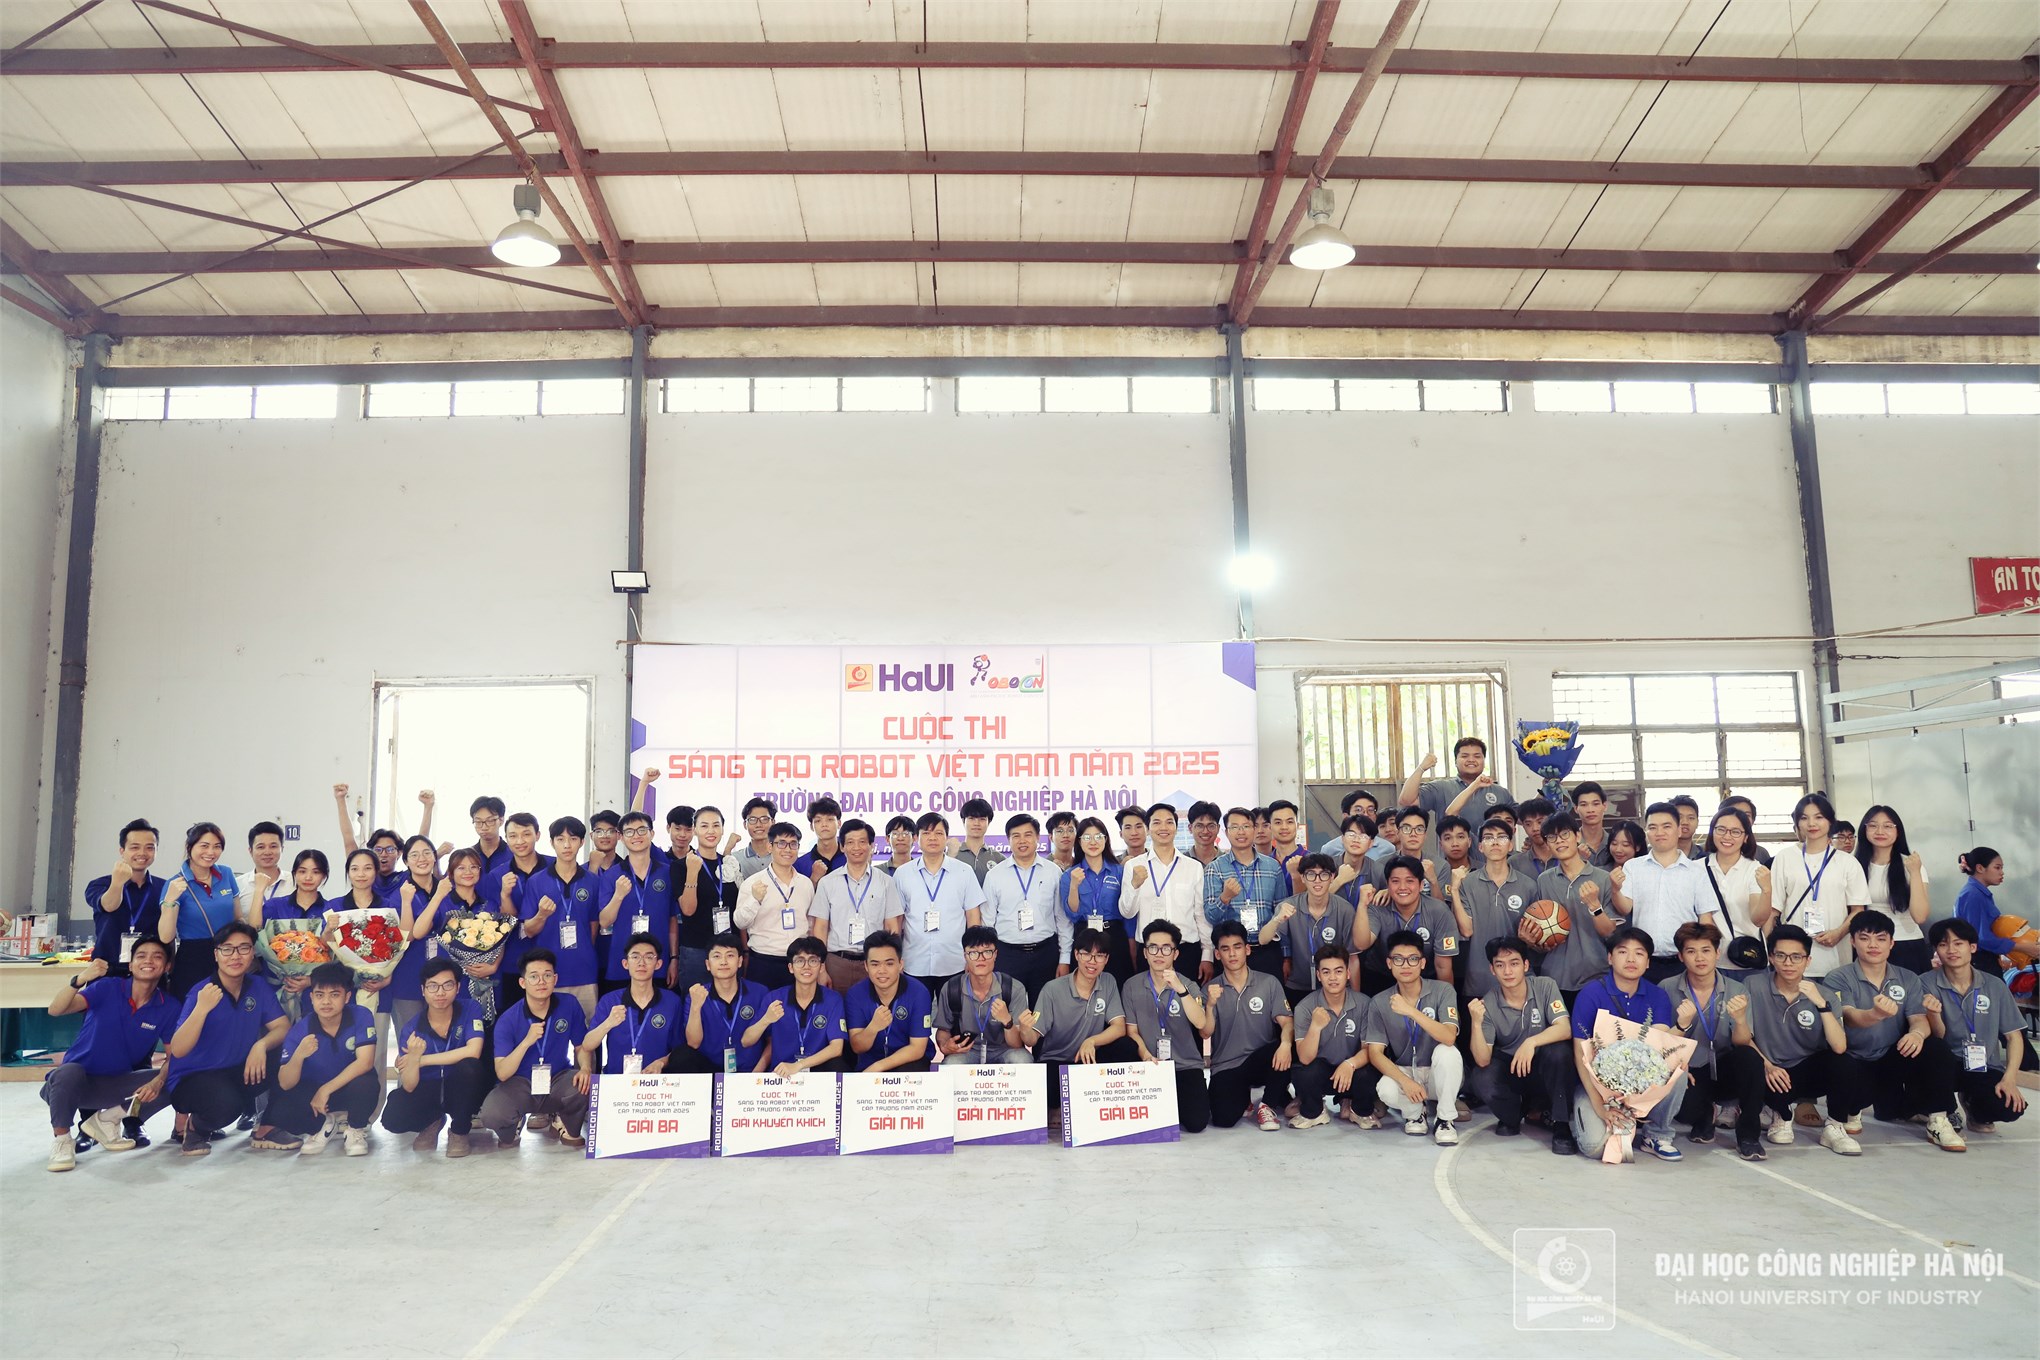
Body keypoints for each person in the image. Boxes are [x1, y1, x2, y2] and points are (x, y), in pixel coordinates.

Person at [1825, 911, 1964, 1153]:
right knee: (1847, 1076)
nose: (1873, 945)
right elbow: (1848, 1016)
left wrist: (1917, 1034)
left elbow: (1919, 1019)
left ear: (1891, 943)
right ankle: (1851, 1111)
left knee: (1936, 1047)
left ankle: (1938, 1120)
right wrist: (1875, 1014)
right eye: (1865, 938)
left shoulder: (1908, 978)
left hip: (1891, 1058)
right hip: (1855, 1060)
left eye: (1880, 938)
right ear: (1853, 941)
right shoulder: (1838, 977)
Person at [41, 943, 175, 1171]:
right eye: (141, 956)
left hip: (114, 1085)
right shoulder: (107, 988)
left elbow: (174, 1056)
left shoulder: (168, 1006)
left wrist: (158, 1081)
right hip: (71, 1084)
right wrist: (79, 980)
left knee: (176, 1079)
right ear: (130, 965)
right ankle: (62, 1140)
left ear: (167, 966)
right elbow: (55, 1009)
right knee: (70, 1071)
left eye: (157, 956)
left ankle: (106, 1121)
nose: (148, 961)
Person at [163, 922, 289, 1156]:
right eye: (227, 949)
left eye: (244, 948)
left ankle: (267, 1127)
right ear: (216, 955)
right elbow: (178, 1049)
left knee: (288, 1056)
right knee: (228, 1105)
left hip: (235, 1069)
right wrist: (202, 1009)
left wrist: (261, 1045)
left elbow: (282, 1027)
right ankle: (196, 1128)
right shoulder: (202, 992)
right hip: (193, 1079)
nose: (235, 956)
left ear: (253, 952)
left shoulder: (258, 986)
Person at [1568, 926, 1688, 1162]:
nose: (1631, 959)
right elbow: (1580, 1054)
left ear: (1648, 962)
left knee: (1679, 1071)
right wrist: (1599, 1105)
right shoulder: (1590, 994)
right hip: (1598, 1085)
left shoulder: (1657, 995)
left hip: (1641, 1083)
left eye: (1639, 953)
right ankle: (1592, 1119)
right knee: (1594, 1148)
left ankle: (1656, 1134)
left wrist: (1682, 1026)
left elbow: (1661, 1047)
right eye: (1623, 952)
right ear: (1610, 958)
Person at [1661, 922, 1766, 1159]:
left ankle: (1748, 1136)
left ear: (1717, 953)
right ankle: (1704, 1115)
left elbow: (1742, 1042)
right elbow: (1661, 1042)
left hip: (1724, 1067)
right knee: (1685, 1111)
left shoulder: (1736, 989)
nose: (1700, 958)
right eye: (1691, 951)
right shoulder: (1666, 988)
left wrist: (1740, 1021)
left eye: (1706, 950)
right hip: (1688, 1070)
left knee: (1750, 1058)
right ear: (1680, 956)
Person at [1743, 924, 1849, 1153]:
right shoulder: (1752, 985)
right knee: (1746, 1060)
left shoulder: (1824, 994)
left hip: (1803, 1070)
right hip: (1769, 1070)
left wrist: (1821, 1005)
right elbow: (1744, 1036)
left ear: (1807, 961)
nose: (1788, 963)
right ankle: (1781, 1115)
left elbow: (1840, 1046)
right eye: (1781, 956)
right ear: (1771, 958)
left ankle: (1835, 1126)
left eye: (1796, 957)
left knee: (1842, 1061)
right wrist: (1767, 1066)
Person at [476, 950, 592, 1149]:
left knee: (584, 1084)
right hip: (520, 1083)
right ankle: (513, 1126)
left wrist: (586, 1068)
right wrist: (526, 1042)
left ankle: (563, 1121)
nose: (541, 982)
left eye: (547, 975)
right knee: (492, 1114)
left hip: (558, 1078)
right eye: (534, 976)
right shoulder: (508, 1019)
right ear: (523, 983)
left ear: (555, 979)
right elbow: (502, 1073)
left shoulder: (569, 1004)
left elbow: (581, 1046)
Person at [1923, 919, 2027, 1134]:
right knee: (1933, 1055)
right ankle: (1945, 1108)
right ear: (1936, 951)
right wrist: (1933, 1014)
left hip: (1983, 1065)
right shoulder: (1925, 983)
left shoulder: (1995, 985)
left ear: (1972, 947)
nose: (1951, 950)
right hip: (1945, 1065)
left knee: (2008, 1107)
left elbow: (2013, 1037)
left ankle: (1974, 1106)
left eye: (1958, 943)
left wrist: (2009, 1079)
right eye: (1943, 944)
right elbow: (1937, 1036)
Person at [1466, 936, 1572, 1145]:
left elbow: (1564, 1028)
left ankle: (1561, 1124)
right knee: (1481, 1077)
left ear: (1525, 965)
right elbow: (1482, 1059)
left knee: (1560, 1052)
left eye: (1514, 963)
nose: (1507, 971)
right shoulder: (1488, 1002)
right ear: (1492, 970)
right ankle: (1514, 1116)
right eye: (1500, 965)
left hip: (1542, 1066)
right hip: (1512, 1068)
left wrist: (1530, 1042)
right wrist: (1476, 1023)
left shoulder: (1545, 986)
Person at [380, 956, 490, 1158]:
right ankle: (431, 1121)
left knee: (471, 1068)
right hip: (428, 1088)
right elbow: (409, 1086)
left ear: (458, 988)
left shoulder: (470, 1008)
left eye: (447, 985)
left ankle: (459, 1131)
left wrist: (420, 1060)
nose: (440, 993)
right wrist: (413, 1059)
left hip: (459, 1087)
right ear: (423, 990)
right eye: (433, 986)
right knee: (392, 1118)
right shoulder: (412, 1028)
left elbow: (473, 1051)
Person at [269, 962, 380, 1156]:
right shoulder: (300, 1029)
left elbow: (365, 1062)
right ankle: (323, 1125)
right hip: (316, 1096)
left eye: (334, 995)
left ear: (347, 997)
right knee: (282, 1110)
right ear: (311, 998)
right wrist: (299, 1055)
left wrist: (325, 1090)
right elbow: (285, 1083)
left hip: (347, 1089)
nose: (326, 1002)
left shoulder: (361, 1016)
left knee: (366, 1083)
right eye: (320, 995)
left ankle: (355, 1128)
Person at [1364, 931, 1464, 1146]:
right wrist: (1405, 1081)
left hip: (1438, 1072)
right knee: (1385, 1089)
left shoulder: (1443, 990)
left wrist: (1410, 1011)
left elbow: (1449, 1036)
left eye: (1413, 959)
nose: (1406, 965)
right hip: (1406, 1071)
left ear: (1422, 963)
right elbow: (1375, 1053)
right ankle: (1415, 1114)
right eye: (1398, 959)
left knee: (1448, 1052)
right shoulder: (1379, 1001)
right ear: (1389, 963)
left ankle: (1445, 1119)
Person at [1755, 794, 1868, 980]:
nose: (1811, 823)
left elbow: (1858, 910)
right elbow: (1773, 910)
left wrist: (1839, 933)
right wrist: (1772, 951)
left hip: (1835, 955)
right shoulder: (1785, 857)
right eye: (1804, 818)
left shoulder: (1847, 862)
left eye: (1819, 817)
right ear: (1797, 823)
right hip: (1791, 958)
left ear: (1830, 821)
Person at [1018, 927, 1131, 1107]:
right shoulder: (1052, 989)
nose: (1092, 962)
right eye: (1086, 954)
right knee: (1046, 1093)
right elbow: (1032, 1040)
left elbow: (1119, 1027)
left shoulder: (1108, 981)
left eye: (1099, 956)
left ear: (1107, 959)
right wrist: (1024, 1030)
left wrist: (1092, 1041)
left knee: (1126, 1046)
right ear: (1077, 955)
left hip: (1089, 1060)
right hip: (1057, 1061)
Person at [1202, 921, 1294, 1132]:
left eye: (1237, 947)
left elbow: (1287, 1022)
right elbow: (1205, 1032)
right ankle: (1244, 1098)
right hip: (1227, 1065)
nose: (1232, 954)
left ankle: (1267, 1105)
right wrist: (1210, 1005)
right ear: (1217, 954)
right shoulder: (1210, 989)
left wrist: (1286, 1044)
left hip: (1261, 1060)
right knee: (1223, 1120)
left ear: (1247, 949)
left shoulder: (1268, 983)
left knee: (1290, 1044)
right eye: (1225, 949)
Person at [1121, 920, 1210, 1133]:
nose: (1159, 954)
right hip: (1149, 1066)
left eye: (1166, 948)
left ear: (1175, 954)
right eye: (1153, 947)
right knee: (1148, 1123)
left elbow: (1201, 1023)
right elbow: (1131, 1032)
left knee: (1197, 1124)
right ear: (1145, 953)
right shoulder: (1132, 986)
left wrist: (1180, 990)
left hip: (1184, 1065)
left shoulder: (1188, 985)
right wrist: (1145, 1055)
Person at [1610, 803, 1714, 981]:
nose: (1659, 832)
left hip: (1683, 959)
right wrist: (1615, 889)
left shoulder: (1697, 872)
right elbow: (1624, 908)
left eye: (1666, 826)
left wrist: (1704, 955)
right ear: (1646, 832)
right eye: (1652, 827)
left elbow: (1705, 918)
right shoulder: (1633, 867)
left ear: (1679, 830)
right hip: (1644, 959)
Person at [517, 817, 609, 1019]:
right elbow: (528, 931)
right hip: (547, 973)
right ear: (552, 842)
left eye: (573, 839)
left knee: (587, 1032)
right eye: (560, 839)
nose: (567, 845)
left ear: (582, 842)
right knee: (550, 1032)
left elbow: (594, 926)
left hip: (584, 971)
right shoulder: (536, 882)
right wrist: (541, 915)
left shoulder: (593, 881)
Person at [1529, 812, 1618, 1007]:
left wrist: (1595, 906)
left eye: (1564, 834)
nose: (1559, 841)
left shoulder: (1603, 878)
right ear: (1547, 844)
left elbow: (1609, 932)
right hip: (1555, 977)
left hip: (1595, 975)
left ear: (1577, 836)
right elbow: (1541, 935)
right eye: (1552, 837)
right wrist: (1531, 938)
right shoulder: (1544, 880)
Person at [1449, 818, 1541, 1000]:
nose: (1495, 842)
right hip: (1479, 980)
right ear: (1480, 847)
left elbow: (1536, 936)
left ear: (1511, 845)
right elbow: (1466, 930)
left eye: (1502, 837)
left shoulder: (1529, 885)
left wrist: (1529, 940)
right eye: (1488, 838)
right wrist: (1454, 890)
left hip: (1518, 981)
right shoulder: (1467, 883)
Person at [896, 813, 987, 996]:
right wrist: (895, 957)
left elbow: (973, 917)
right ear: (916, 838)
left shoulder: (964, 872)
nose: (933, 838)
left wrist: (973, 956)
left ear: (946, 837)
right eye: (926, 833)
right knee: (916, 1012)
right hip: (914, 962)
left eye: (938, 833)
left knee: (955, 1013)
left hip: (954, 962)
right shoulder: (903, 874)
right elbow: (897, 920)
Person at [982, 814, 1070, 1003]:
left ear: (1038, 837)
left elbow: (1062, 918)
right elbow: (987, 922)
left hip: (1045, 954)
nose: (1022, 841)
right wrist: (987, 958)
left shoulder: (1053, 872)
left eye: (1028, 835)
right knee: (1006, 1012)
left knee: (1043, 1013)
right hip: (1007, 956)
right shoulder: (995, 875)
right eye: (1016, 836)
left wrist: (1065, 958)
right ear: (1008, 839)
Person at [1119, 803, 1210, 982]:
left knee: (1187, 998)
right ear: (1147, 829)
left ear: (1176, 828)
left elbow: (1200, 913)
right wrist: (1135, 886)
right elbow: (1127, 912)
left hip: (1186, 951)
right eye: (1157, 822)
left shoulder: (1193, 867)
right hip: (1150, 952)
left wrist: (1207, 954)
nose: (1163, 827)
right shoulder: (1133, 866)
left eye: (1169, 822)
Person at [810, 819, 902, 993]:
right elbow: (820, 928)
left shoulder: (886, 882)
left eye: (862, 842)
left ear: (871, 846)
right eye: (850, 842)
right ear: (842, 847)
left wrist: (892, 963)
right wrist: (821, 969)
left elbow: (892, 926)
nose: (856, 847)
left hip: (875, 963)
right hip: (836, 963)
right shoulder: (827, 883)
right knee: (836, 1009)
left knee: (874, 1009)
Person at [582, 933, 686, 1077]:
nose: (641, 963)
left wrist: (661, 1063)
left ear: (658, 964)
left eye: (649, 957)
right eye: (635, 957)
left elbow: (680, 1049)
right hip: (616, 1080)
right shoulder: (609, 1000)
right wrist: (608, 1023)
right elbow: (587, 1045)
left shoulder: (672, 1001)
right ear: (625, 964)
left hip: (656, 1080)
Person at [158, 822, 241, 1000]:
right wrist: (170, 900)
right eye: (204, 846)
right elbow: (165, 936)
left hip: (228, 954)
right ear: (190, 847)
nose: (211, 852)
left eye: (217, 846)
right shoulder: (174, 884)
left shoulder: (226, 874)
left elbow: (238, 917)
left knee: (229, 1007)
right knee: (194, 1009)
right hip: (193, 958)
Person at [1201, 807, 1288, 977]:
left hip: (1267, 950)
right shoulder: (1214, 869)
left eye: (1246, 826)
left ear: (1254, 829)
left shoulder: (1272, 867)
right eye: (1234, 827)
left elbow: (1281, 913)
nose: (1241, 832)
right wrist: (1225, 897)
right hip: (1231, 952)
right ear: (1226, 832)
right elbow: (1211, 916)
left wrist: (1286, 954)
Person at [1354, 856, 1460, 994]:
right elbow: (1361, 944)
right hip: (1382, 977)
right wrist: (1362, 905)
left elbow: (1442, 966)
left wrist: (1445, 1000)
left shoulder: (1439, 911)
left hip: (1426, 977)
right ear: (1387, 885)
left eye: (1410, 881)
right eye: (1395, 881)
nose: (1402, 887)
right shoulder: (1378, 906)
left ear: (1421, 885)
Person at [1290, 945, 1369, 1129]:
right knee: (1303, 1073)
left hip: (1351, 1070)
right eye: (1326, 972)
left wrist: (1349, 1064)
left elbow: (1369, 1050)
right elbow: (1305, 1058)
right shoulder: (1305, 1007)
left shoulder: (1365, 1004)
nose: (1332, 978)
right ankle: (1315, 1111)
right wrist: (1315, 1027)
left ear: (1348, 973)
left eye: (1338, 971)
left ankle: (1358, 1109)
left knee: (1369, 1072)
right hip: (1323, 1072)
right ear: (1318, 975)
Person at [1264, 854, 1359, 1006]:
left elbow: (1353, 957)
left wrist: (1356, 998)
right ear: (1302, 877)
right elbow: (1263, 939)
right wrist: (1277, 920)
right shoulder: (1289, 906)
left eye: (1324, 874)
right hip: (1298, 984)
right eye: (1311, 874)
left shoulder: (1345, 909)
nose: (1317, 880)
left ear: (1332, 877)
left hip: (1335, 986)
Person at [931, 926, 1030, 1065]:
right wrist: (945, 1045)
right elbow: (943, 1030)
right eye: (973, 953)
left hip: (1004, 1050)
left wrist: (1007, 1021)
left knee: (1022, 1059)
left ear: (995, 954)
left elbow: (1017, 1044)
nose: (981, 958)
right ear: (965, 956)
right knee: (951, 1064)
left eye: (987, 952)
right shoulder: (952, 988)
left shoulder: (1013, 988)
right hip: (967, 1051)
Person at [733, 821, 812, 993]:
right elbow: (740, 922)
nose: (788, 849)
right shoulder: (753, 883)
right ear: (770, 847)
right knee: (763, 1007)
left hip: (799, 962)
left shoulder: (806, 884)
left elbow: (810, 922)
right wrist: (755, 899)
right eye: (781, 843)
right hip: (763, 963)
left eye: (793, 844)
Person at [84, 819, 166, 978]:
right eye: (135, 847)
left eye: (150, 847)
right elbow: (109, 905)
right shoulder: (99, 884)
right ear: (122, 851)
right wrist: (117, 882)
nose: (142, 853)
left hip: (150, 973)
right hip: (107, 972)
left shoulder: (164, 887)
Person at [681, 932, 773, 1074]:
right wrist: (696, 1007)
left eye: (730, 955)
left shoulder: (760, 993)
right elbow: (693, 1043)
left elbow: (771, 1040)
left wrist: (756, 1074)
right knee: (681, 1058)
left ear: (740, 961)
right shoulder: (696, 995)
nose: (723, 962)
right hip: (709, 1071)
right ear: (708, 964)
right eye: (717, 956)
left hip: (751, 1071)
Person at [607, 813, 680, 990]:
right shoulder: (611, 875)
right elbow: (604, 921)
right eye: (629, 832)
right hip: (622, 962)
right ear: (621, 837)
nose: (636, 836)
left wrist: (673, 958)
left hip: (659, 962)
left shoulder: (667, 872)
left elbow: (672, 919)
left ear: (652, 834)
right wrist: (618, 896)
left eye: (642, 830)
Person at [1856, 806, 1932, 974]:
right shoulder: (1855, 865)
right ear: (1864, 829)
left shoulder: (1911, 865)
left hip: (1906, 943)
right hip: (1867, 946)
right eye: (1873, 825)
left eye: (1888, 826)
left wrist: (1914, 872)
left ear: (1898, 831)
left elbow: (1920, 916)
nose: (1880, 831)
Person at [845, 932, 934, 1073]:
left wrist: (879, 1067)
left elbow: (917, 1048)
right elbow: (857, 1047)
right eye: (875, 964)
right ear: (866, 966)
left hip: (907, 1061)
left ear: (900, 964)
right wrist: (873, 1027)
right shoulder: (855, 995)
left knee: (913, 1069)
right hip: (870, 1062)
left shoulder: (919, 992)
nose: (882, 970)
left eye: (889, 964)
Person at [760, 937, 849, 1076]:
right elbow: (747, 1040)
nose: (806, 966)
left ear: (821, 967)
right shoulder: (774, 998)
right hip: (782, 1071)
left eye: (813, 961)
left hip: (816, 1069)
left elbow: (836, 1048)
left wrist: (799, 1065)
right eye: (800, 961)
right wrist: (765, 1019)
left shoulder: (833, 999)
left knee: (839, 1065)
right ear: (790, 967)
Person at [1700, 806, 1771, 978]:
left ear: (1746, 837)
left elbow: (1758, 919)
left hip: (1748, 960)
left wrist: (1767, 890)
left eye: (1735, 832)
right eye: (1721, 829)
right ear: (1712, 832)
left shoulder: (1754, 869)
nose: (1727, 836)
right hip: (1708, 963)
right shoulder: (1697, 869)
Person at [1402, 738, 1515, 839]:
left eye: (1477, 756)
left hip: (1493, 854)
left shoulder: (1501, 792)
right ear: (1455, 761)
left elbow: (1522, 818)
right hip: (1450, 855)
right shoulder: (1440, 787)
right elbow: (1407, 801)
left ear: (1484, 761)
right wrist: (1421, 768)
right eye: (1465, 756)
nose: (1471, 760)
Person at [1058, 817, 1127, 980]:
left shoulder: (1119, 871)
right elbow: (1072, 914)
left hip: (1114, 935)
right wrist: (1074, 886)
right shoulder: (1069, 875)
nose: (1093, 842)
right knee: (1085, 985)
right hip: (1084, 936)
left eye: (1098, 836)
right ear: (1079, 841)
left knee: (1117, 983)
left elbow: (1127, 909)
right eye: (1087, 837)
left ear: (1106, 839)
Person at [1952, 847, 2023, 973]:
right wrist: (2022, 947)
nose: (2002, 873)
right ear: (1980, 868)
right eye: (1997, 867)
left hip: (1984, 958)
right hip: (1979, 961)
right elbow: (1981, 937)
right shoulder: (1973, 895)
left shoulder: (1978, 893)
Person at [234, 821, 292, 923]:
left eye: (273, 846)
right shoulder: (237, 885)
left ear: (282, 849)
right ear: (250, 851)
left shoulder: (295, 882)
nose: (267, 852)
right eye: (261, 847)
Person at [1329, 814, 1388, 908]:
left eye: (1363, 836)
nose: (1356, 840)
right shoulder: (1327, 866)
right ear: (1343, 839)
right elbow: (1313, 901)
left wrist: (1388, 891)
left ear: (1371, 843)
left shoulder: (1378, 871)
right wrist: (1338, 881)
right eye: (1351, 835)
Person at [794, 796, 848, 882]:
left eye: (830, 819)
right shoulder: (800, 864)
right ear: (812, 826)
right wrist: (814, 879)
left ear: (839, 823)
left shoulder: (850, 858)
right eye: (818, 821)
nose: (824, 824)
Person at [950, 797, 1004, 883]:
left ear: (989, 822)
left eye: (982, 819)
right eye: (971, 818)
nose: (976, 823)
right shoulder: (951, 856)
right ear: (963, 821)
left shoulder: (999, 859)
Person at [1510, 797, 1560, 880]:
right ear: (1523, 826)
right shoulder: (1515, 863)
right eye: (1528, 824)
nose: (1535, 828)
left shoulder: (1567, 857)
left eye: (1540, 822)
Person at [1719, 796, 1773, 866]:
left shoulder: (1761, 854)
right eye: (1733, 813)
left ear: (1753, 820)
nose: (1741, 818)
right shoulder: (1706, 855)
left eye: (1747, 815)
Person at [735, 797, 778, 882]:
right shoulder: (736, 858)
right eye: (752, 820)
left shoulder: (783, 856)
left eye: (764, 819)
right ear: (745, 824)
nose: (758, 825)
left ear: (773, 822)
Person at [1570, 783, 1614, 867]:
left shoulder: (1614, 844)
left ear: (1605, 806)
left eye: (1596, 804)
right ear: (1576, 809)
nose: (1590, 810)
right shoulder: (1569, 844)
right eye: (1584, 805)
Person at [1266, 799, 1305, 876]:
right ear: (1270, 827)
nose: (1284, 827)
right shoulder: (1264, 863)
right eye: (1278, 822)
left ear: (1297, 826)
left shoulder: (1310, 861)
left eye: (1289, 822)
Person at [1185, 801, 1224, 867]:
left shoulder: (1228, 861)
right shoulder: (1181, 861)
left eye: (1211, 826)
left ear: (1218, 828)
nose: (1205, 831)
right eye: (1199, 826)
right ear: (1190, 828)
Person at [1669, 795, 1701, 859]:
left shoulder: (1706, 858)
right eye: (1679, 817)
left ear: (1697, 822)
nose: (1685, 822)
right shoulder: (1656, 856)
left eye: (1691, 818)